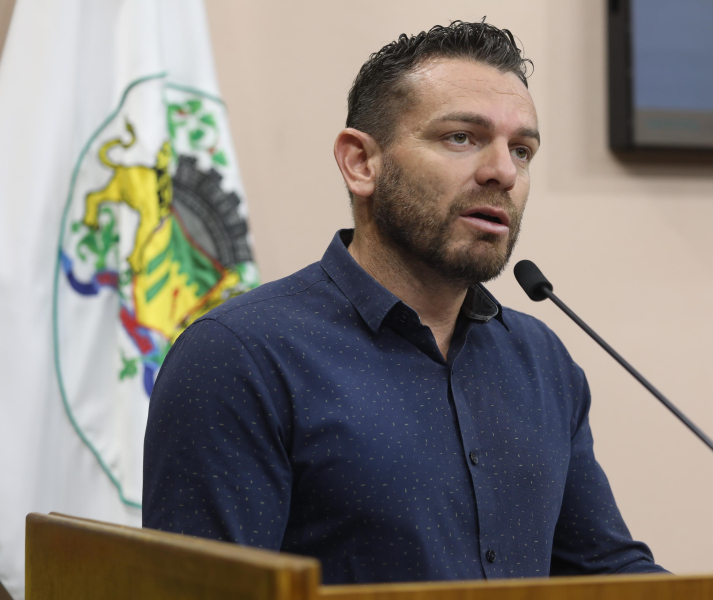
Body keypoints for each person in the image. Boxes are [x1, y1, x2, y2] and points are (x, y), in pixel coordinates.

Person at [143, 20, 666, 583]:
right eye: (461, 138)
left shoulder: (540, 358)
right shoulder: (239, 357)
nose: (503, 173)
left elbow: (604, 572)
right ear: (360, 163)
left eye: (521, 149)